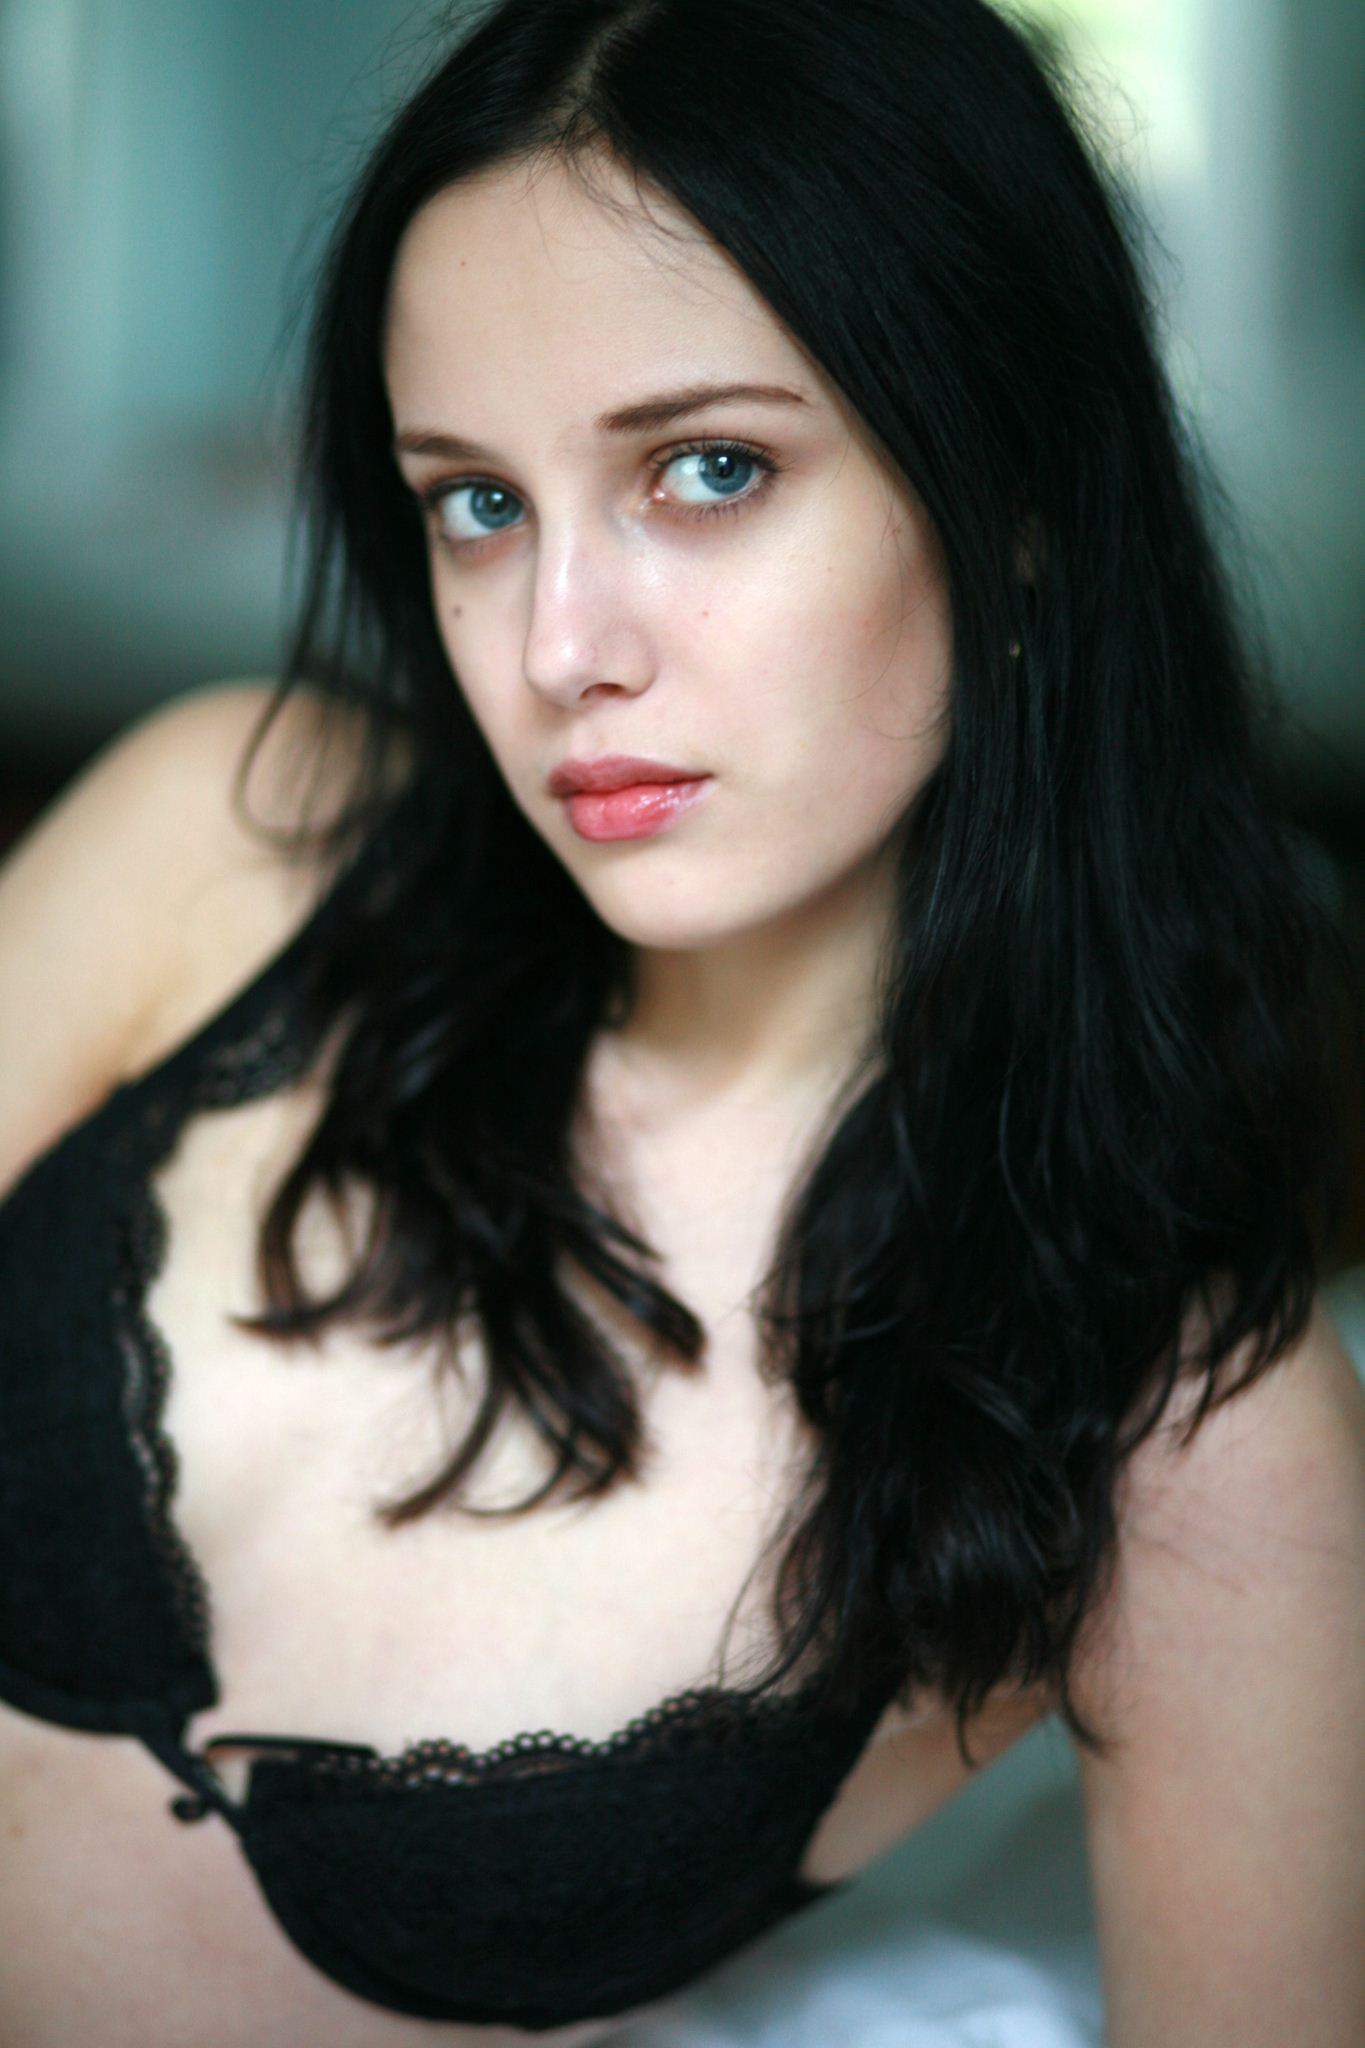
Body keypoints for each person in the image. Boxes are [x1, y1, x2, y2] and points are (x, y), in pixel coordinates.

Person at [1, 0, 1362, 2041]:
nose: (560, 648)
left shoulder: (1184, 1442)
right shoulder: (222, 836)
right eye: (477, 503)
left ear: (1008, 492)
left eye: (705, 471)